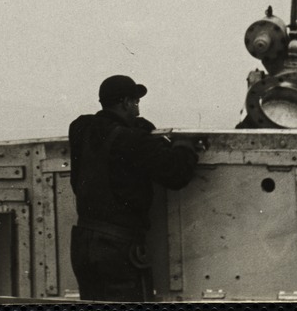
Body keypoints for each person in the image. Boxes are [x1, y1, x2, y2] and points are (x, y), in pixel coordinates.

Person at [68, 75, 200, 301]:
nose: (138, 110)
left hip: (83, 241)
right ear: (126, 103)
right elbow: (177, 174)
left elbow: (103, 126)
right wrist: (185, 147)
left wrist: (137, 126)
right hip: (117, 247)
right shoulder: (134, 141)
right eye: (136, 103)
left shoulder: (80, 128)